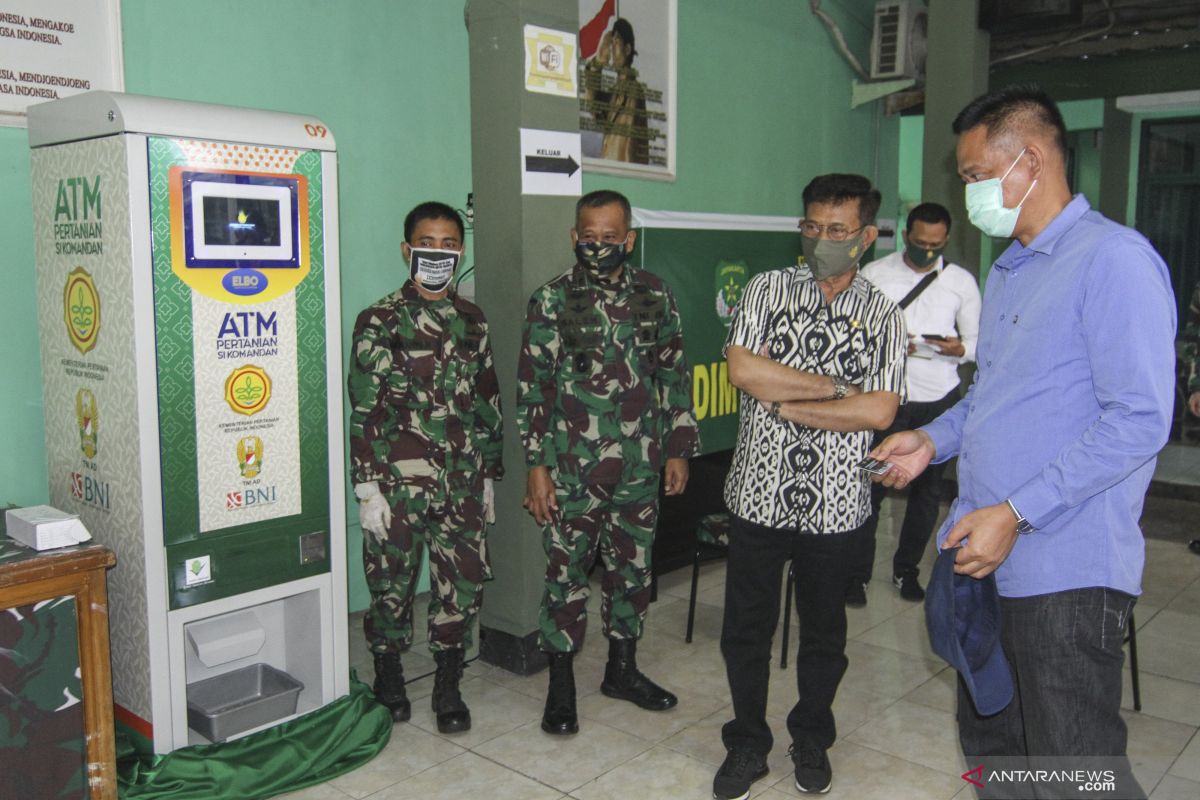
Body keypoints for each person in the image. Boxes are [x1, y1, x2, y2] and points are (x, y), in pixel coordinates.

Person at [873, 85, 1175, 798]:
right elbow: (992, 396)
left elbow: (1138, 417)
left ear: (1030, 160)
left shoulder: (1113, 261)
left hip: (1062, 570)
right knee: (998, 752)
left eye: (976, 175)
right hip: (982, 554)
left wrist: (1018, 510)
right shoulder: (1010, 271)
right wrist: (929, 441)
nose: (970, 191)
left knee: (1075, 770)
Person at [713, 174, 906, 799]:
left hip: (837, 503)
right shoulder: (767, 289)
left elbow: (880, 412)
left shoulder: (883, 313)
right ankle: (746, 743)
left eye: (837, 232)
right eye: (812, 228)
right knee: (747, 626)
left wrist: (792, 402)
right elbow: (744, 370)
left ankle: (812, 737)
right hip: (757, 497)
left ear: (867, 237)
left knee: (825, 632)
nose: (821, 240)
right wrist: (832, 388)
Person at [516, 189, 698, 736]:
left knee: (632, 571)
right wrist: (536, 466)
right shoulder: (550, 301)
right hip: (572, 471)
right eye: (589, 238)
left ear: (629, 239)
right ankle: (561, 685)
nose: (599, 247)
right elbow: (534, 391)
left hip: (640, 467)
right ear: (575, 238)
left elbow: (673, 375)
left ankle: (622, 671)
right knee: (565, 575)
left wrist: (678, 448)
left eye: (611, 238)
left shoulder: (655, 295)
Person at [348, 201, 504, 734]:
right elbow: (365, 409)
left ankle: (448, 679)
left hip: (461, 481)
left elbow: (487, 400)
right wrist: (367, 489)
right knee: (391, 582)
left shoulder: (472, 320)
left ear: (460, 252)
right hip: (398, 484)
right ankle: (389, 672)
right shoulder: (379, 320)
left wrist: (489, 475)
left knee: (459, 585)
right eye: (426, 243)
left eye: (447, 244)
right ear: (406, 249)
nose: (436, 253)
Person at [848, 202, 981, 605]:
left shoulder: (961, 282)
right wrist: (886, 344)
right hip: (885, 398)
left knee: (927, 495)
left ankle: (907, 571)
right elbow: (852, 334)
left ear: (946, 240)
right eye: (920, 243)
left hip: (940, 401)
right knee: (869, 487)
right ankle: (856, 575)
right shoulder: (875, 275)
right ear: (907, 235)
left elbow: (977, 343)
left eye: (935, 245)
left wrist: (958, 348)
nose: (927, 251)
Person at [581, 18, 650, 164]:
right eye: (611, 42)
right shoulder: (616, 92)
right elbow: (594, 109)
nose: (611, 47)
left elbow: (632, 148)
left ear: (627, 49)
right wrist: (598, 63)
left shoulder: (634, 92)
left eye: (616, 42)